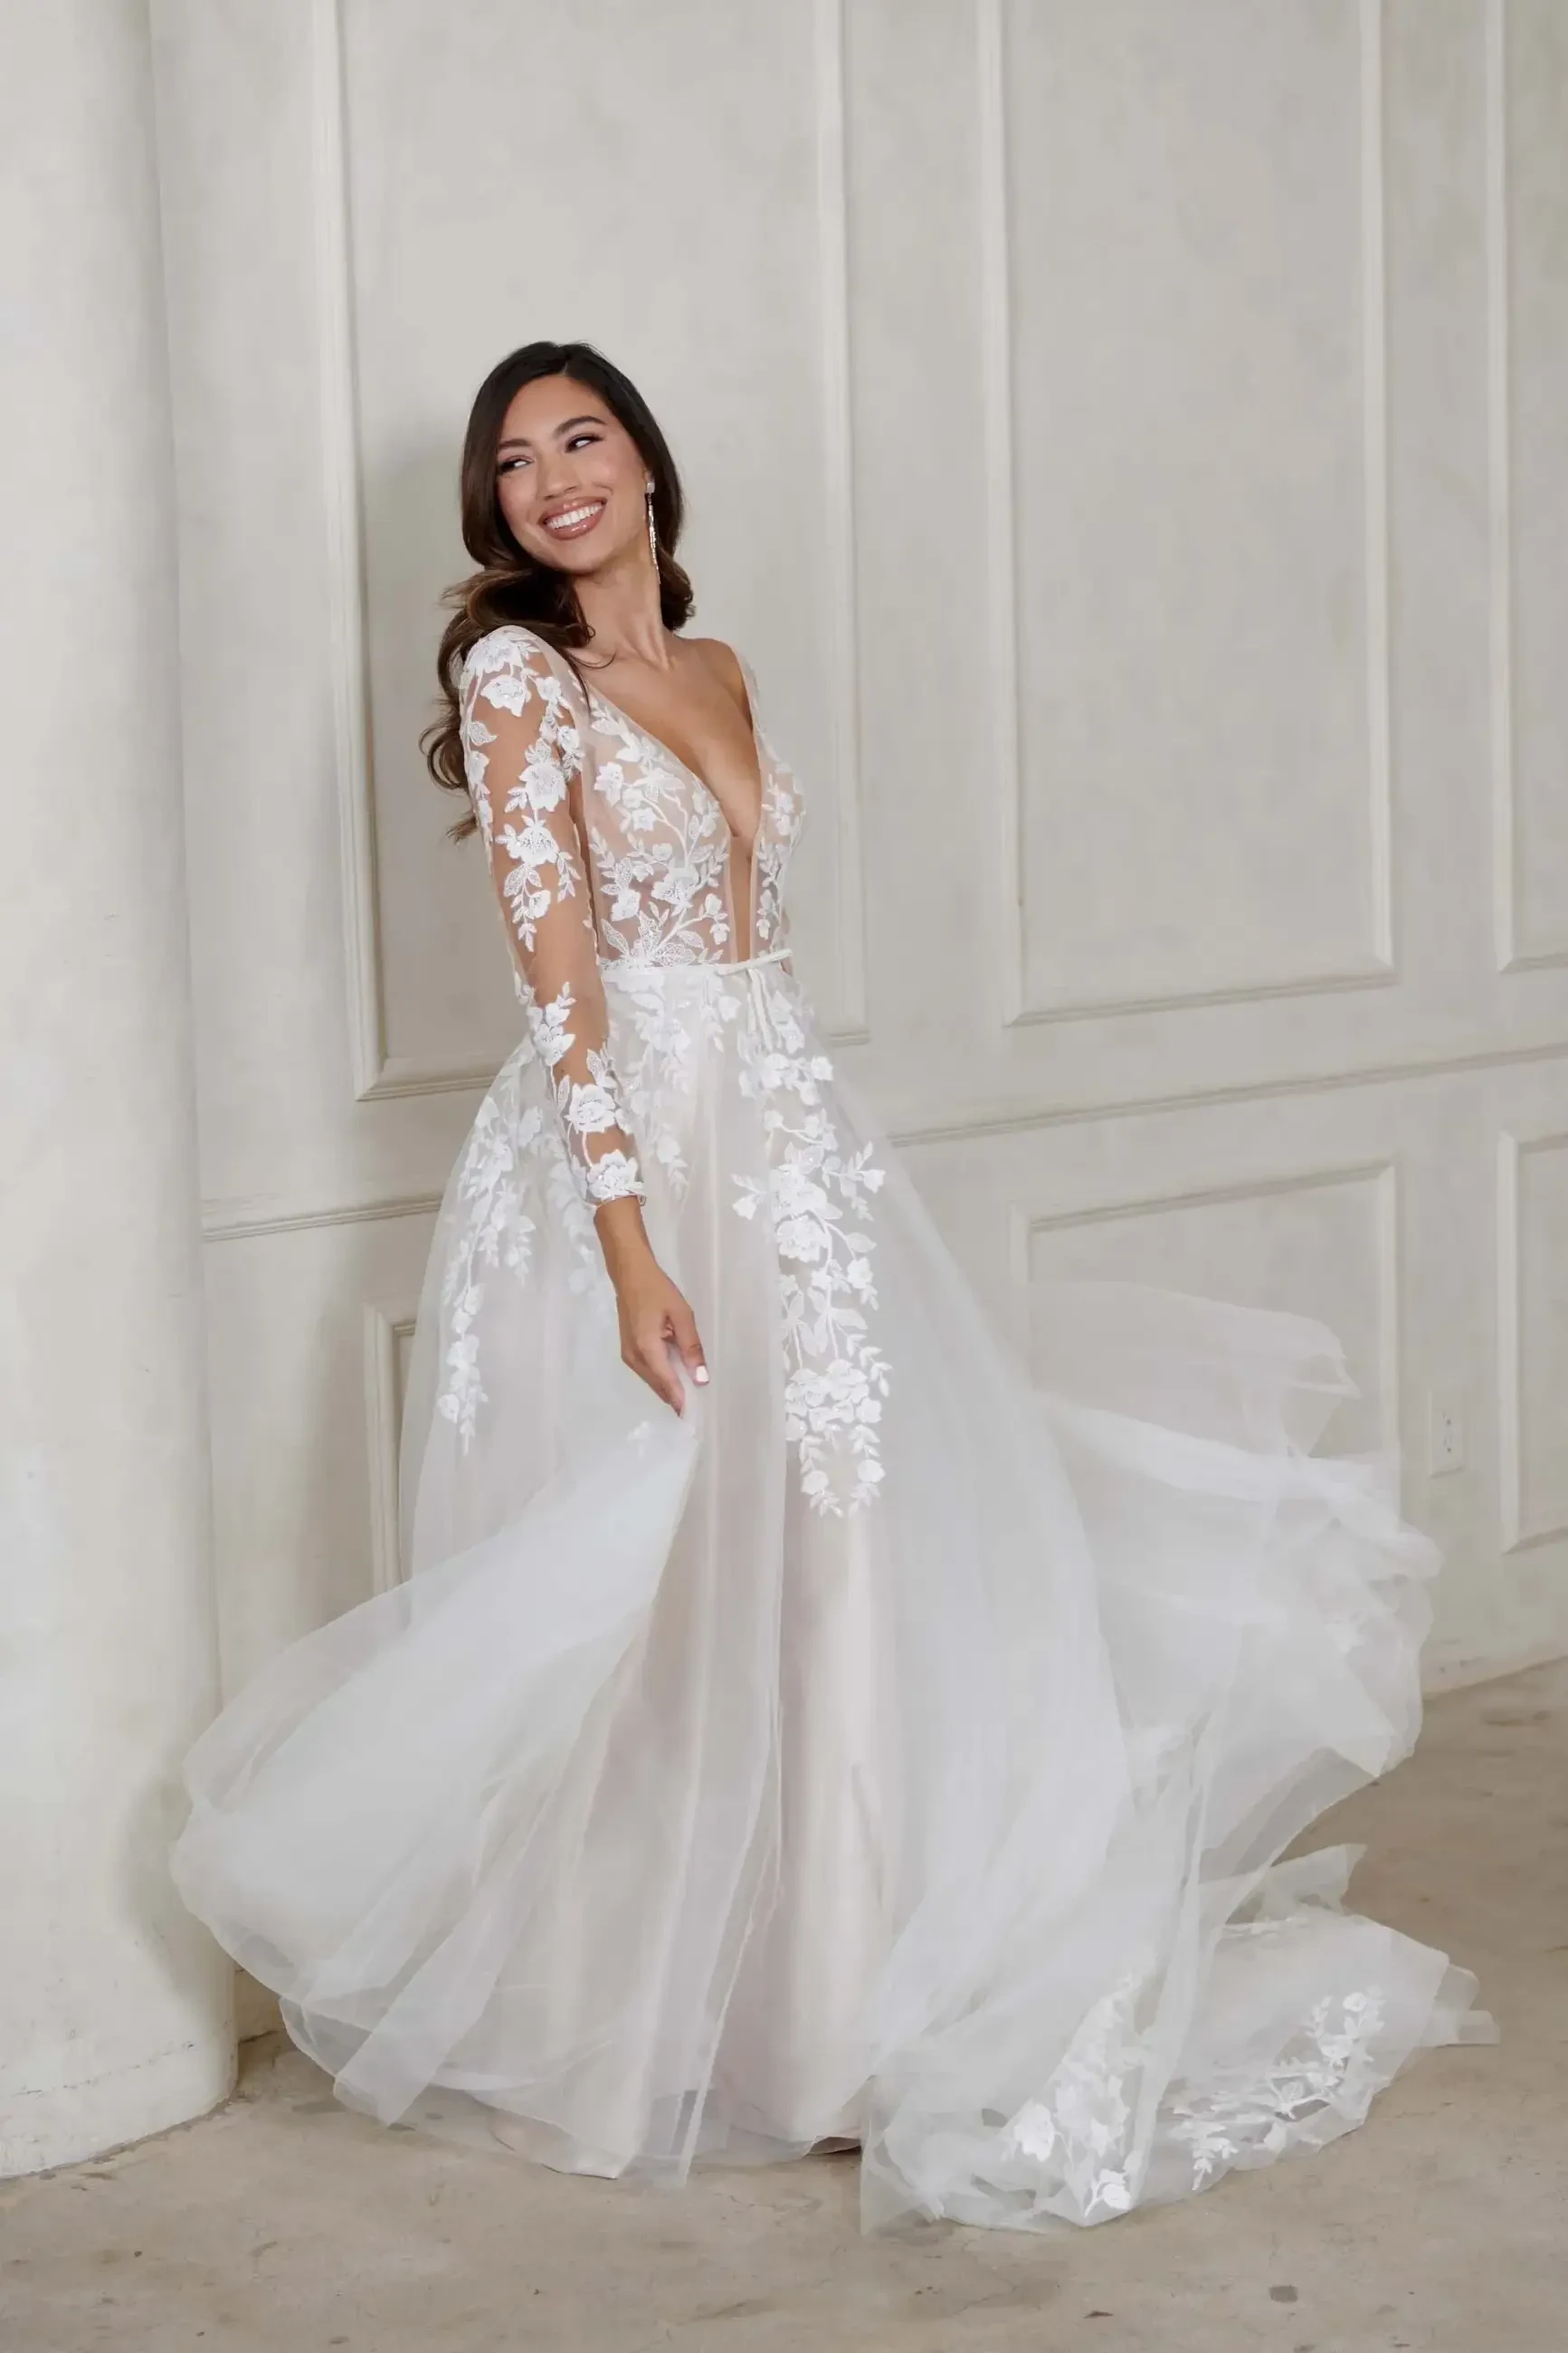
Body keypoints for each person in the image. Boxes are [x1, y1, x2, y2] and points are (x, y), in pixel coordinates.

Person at [171, 338, 1494, 2235]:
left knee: (831, 1559)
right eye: (517, 459)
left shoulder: (714, 666)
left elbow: (747, 930)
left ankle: (818, 2018)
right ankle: (628, 2019)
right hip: (622, 1154)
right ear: (493, 509)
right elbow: (555, 973)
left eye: (585, 439)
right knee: (656, 1588)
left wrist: (767, 1154)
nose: (554, 479)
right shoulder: (513, 672)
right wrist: (627, 1243)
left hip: (782, 1137)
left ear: (644, 465)